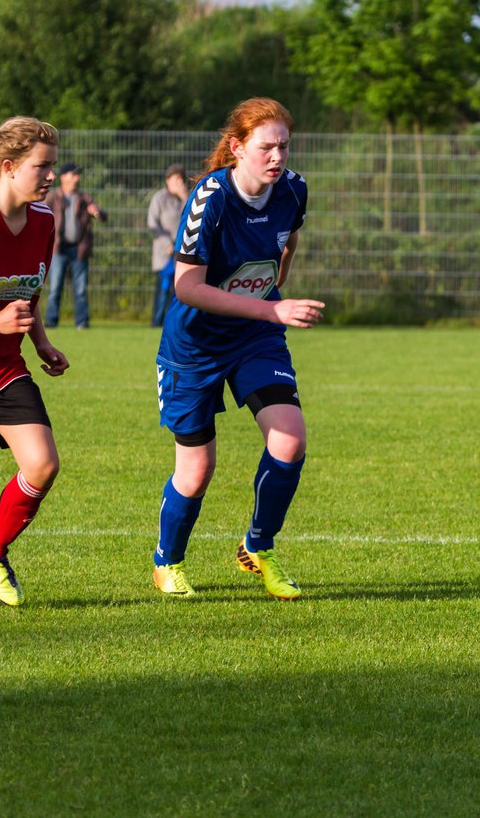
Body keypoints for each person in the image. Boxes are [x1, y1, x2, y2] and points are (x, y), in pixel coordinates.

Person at [151, 97, 324, 600]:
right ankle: (168, 561)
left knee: (289, 438)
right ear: (237, 147)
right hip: (196, 345)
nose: (277, 157)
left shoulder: (294, 190)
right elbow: (186, 286)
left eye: (284, 146)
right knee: (197, 469)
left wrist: (273, 297)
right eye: (266, 147)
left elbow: (287, 244)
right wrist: (273, 308)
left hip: (254, 337)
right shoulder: (211, 196)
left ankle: (258, 547)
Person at [0, 117, 71, 606]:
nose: (50, 176)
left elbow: (30, 289)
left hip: (6, 371)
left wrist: (41, 341)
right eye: (40, 166)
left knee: (42, 463)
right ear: (7, 167)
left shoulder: (43, 219)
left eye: (52, 165)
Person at [43, 162, 106, 329]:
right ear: (63, 177)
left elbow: (103, 217)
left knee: (80, 290)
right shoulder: (53, 197)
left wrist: (97, 213)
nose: (77, 178)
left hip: (79, 250)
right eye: (73, 174)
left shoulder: (85, 199)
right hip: (58, 249)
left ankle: (82, 322)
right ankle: (50, 322)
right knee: (55, 288)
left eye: (78, 175)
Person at [147, 163, 188, 327]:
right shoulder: (159, 198)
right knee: (163, 289)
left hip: (182, 253)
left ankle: (174, 323)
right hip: (164, 253)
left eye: (180, 179)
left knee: (179, 290)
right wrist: (168, 243)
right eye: (173, 179)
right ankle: (156, 322)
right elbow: (152, 224)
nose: (177, 183)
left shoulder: (187, 198)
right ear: (167, 180)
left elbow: (192, 218)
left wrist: (185, 196)